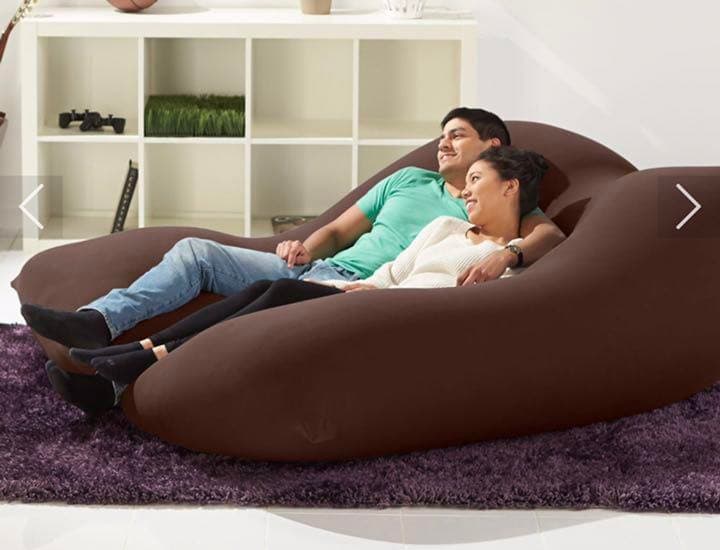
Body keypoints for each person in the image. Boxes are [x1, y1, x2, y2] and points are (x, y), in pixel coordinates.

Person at [43, 145, 547, 415]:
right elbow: (392, 271)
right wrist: (359, 282)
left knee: (278, 293)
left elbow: (551, 239)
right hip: (356, 290)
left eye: (477, 177)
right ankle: (125, 351)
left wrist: (508, 254)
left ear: (510, 186)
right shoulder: (444, 223)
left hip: (390, 321)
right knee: (261, 286)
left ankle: (134, 361)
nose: (444, 146)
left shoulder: (518, 253)